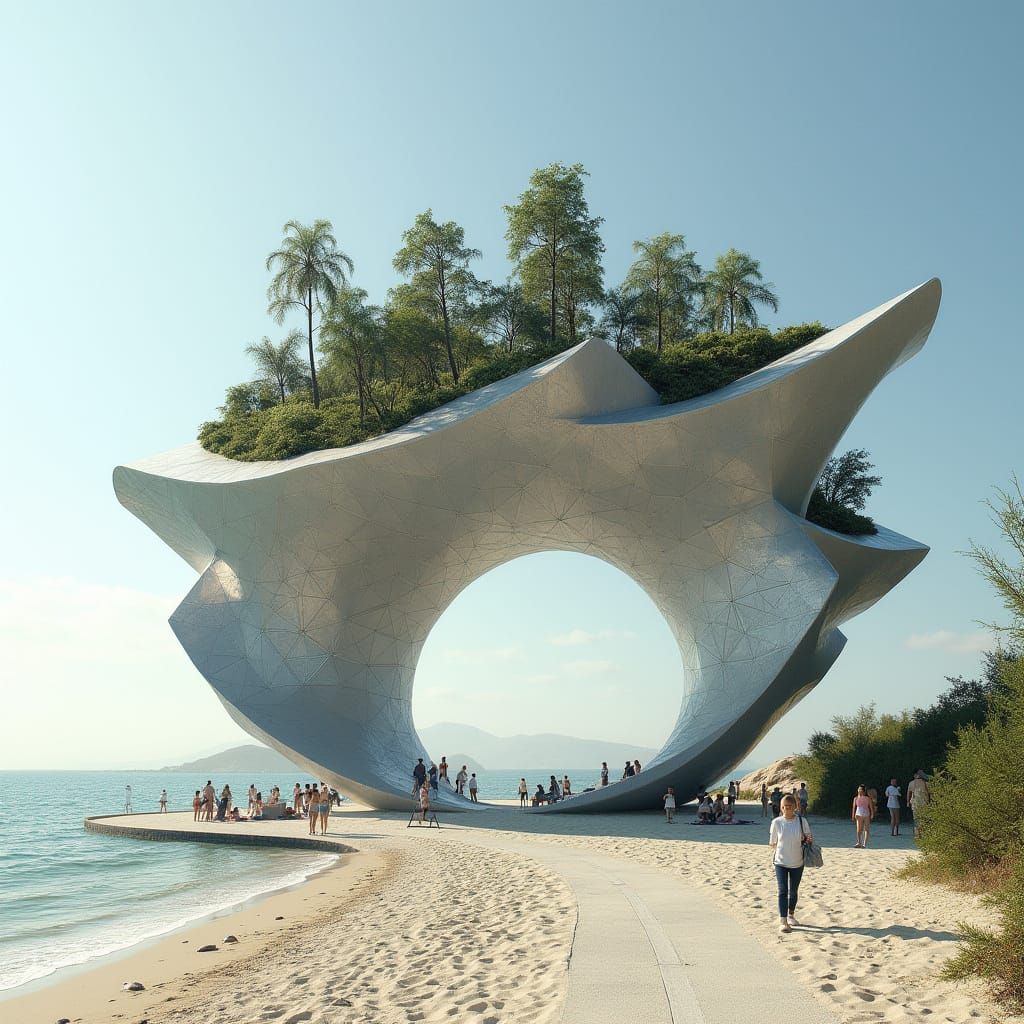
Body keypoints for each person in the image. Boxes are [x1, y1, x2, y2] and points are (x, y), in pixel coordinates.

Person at [769, 793, 813, 933]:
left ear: (795, 807)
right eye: (784, 807)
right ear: (781, 808)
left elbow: (809, 836)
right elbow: (772, 842)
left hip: (797, 861)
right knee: (782, 891)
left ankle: (791, 914)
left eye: (789, 806)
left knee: (793, 891)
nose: (787, 809)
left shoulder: (802, 821)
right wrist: (778, 845)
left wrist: (807, 840)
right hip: (780, 861)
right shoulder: (777, 822)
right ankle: (783, 921)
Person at [907, 770, 929, 837]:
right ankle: (923, 833)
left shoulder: (911, 783)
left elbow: (908, 793)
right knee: (924, 819)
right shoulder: (926, 783)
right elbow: (930, 793)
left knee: (916, 819)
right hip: (924, 803)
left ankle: (917, 834)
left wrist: (907, 802)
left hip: (915, 803)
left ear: (915, 775)